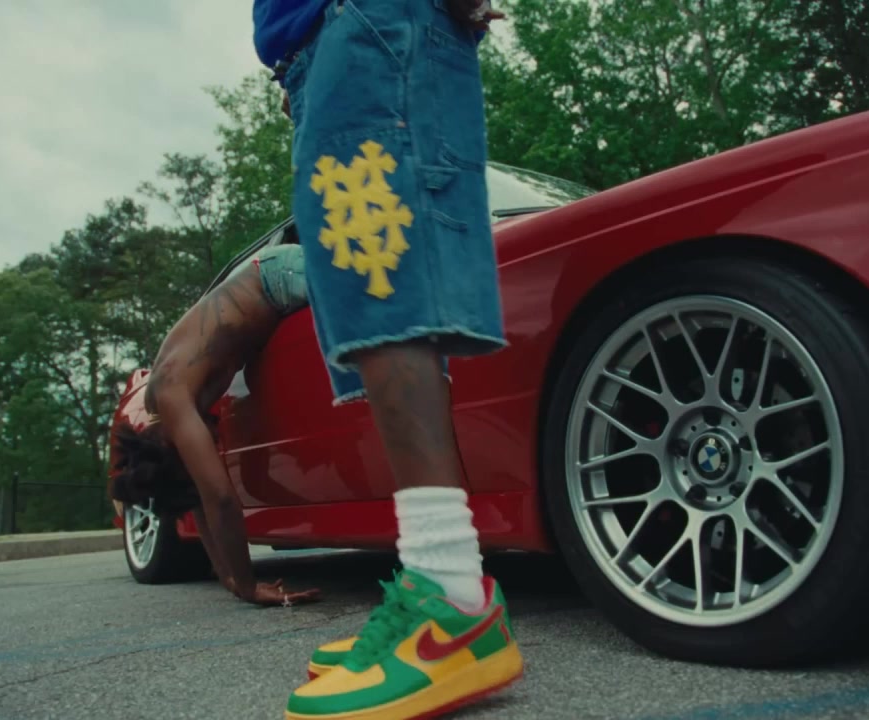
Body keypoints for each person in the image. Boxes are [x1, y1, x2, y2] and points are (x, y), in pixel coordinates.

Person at [252, 1, 523, 718]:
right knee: (370, 286)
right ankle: (441, 584)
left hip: (366, 21)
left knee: (383, 280)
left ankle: (450, 601)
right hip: (327, 42)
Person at [112, 243, 322, 607]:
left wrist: (248, 586)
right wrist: (228, 577)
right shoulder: (164, 408)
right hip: (276, 281)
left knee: (391, 298)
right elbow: (201, 501)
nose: (211, 444)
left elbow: (220, 499)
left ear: (170, 448)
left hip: (280, 278)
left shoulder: (172, 397)